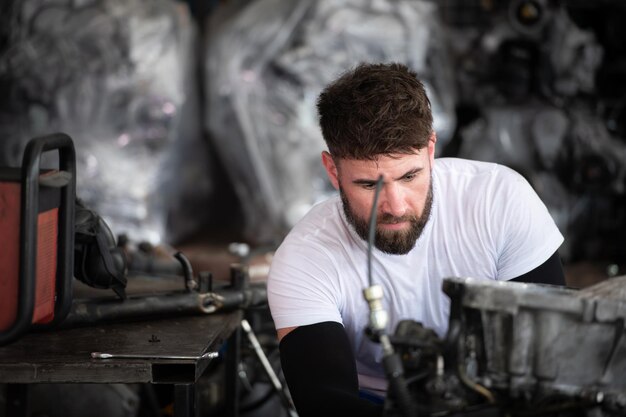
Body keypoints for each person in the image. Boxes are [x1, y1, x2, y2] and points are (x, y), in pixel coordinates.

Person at [267, 62, 565, 417]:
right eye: (368, 185)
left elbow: (550, 353)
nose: (395, 206)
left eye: (410, 176)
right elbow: (324, 401)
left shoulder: (500, 200)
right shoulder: (306, 255)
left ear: (431, 150)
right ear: (333, 171)